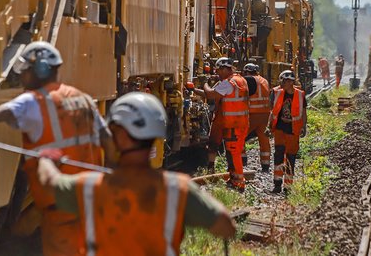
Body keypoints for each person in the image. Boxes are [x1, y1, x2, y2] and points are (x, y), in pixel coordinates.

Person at [0, 41, 114, 256]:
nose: (22, 77)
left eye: (25, 71)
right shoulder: (83, 99)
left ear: (40, 71)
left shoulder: (32, 101)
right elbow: (108, 141)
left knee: (34, 233)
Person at [37, 92, 236, 255]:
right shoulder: (178, 190)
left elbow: (49, 183)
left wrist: (46, 159)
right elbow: (225, 226)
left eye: (112, 132)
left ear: (121, 137)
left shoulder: (91, 187)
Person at [194, 57, 249, 191]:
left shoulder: (228, 83)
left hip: (233, 124)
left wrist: (205, 83)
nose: (217, 73)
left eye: (218, 70)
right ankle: (234, 178)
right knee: (232, 152)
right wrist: (195, 90)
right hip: (241, 122)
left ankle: (239, 182)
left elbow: (210, 94)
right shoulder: (240, 80)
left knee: (234, 153)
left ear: (225, 69)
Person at [265, 70, 307, 194]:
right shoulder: (277, 92)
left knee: (290, 158)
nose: (281, 84)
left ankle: (288, 187)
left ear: (290, 82)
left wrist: (304, 127)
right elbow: (273, 111)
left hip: (293, 130)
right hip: (280, 129)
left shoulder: (300, 95)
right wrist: (269, 126)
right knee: (278, 155)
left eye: (283, 81)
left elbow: (304, 113)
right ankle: (277, 184)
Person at [241, 63, 272, 172]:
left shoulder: (248, 80)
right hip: (265, 114)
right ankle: (265, 165)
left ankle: (242, 160)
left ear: (246, 71)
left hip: (252, 113)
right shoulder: (264, 81)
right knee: (264, 139)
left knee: (241, 136)